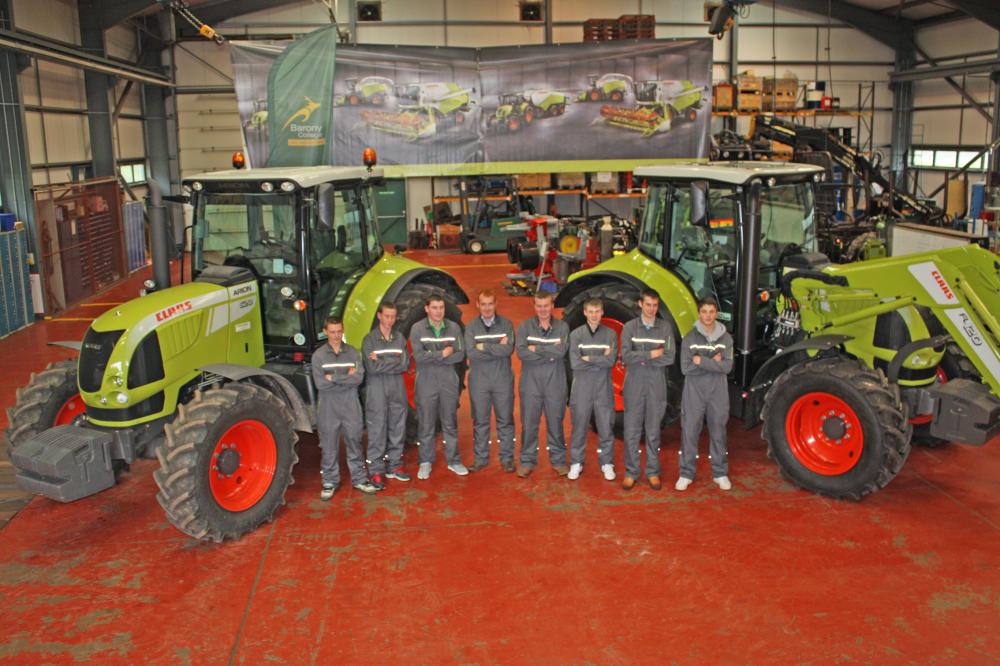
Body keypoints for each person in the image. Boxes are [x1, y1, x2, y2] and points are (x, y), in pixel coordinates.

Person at [311, 316, 376, 499]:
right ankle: (329, 481)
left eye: (339, 331)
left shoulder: (353, 353)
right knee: (328, 445)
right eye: (332, 332)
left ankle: (360, 478)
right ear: (325, 332)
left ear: (343, 331)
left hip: (350, 405)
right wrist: (347, 377)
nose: (336, 336)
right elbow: (320, 384)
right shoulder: (318, 356)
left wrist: (333, 378)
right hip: (328, 406)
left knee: (354, 441)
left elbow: (359, 378)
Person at [677, 296, 734, 491]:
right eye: (704, 312)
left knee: (718, 431)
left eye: (711, 312)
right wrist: (714, 362)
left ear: (716, 313)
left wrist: (701, 360)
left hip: (718, 391)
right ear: (699, 313)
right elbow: (685, 368)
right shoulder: (690, 338)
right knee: (690, 431)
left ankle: (720, 473)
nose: (708, 316)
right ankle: (686, 473)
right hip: (694, 391)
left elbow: (727, 367)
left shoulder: (726, 339)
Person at [620, 289, 675, 491]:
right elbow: (626, 356)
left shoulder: (665, 328)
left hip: (656, 383)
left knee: (653, 431)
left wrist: (640, 357)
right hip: (634, 382)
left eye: (655, 305)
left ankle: (652, 472)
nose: (651, 309)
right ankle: (631, 472)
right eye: (648, 305)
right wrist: (652, 354)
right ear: (640, 304)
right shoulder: (630, 328)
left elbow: (669, 357)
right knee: (631, 430)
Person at [409, 293, 467, 479]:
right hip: (426, 381)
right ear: (427, 309)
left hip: (448, 380)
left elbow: (460, 354)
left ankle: (454, 461)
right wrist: (442, 354)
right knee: (426, 423)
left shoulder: (453, 328)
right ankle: (425, 462)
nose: (438, 311)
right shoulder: (417, 329)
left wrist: (433, 357)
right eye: (434, 307)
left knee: (449, 422)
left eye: (441, 307)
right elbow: (418, 357)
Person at [515, 291, 571, 477]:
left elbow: (561, 352)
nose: (543, 310)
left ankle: (558, 460)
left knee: (556, 422)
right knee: (529, 423)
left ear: (552, 306)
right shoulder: (524, 327)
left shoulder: (562, 327)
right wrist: (549, 352)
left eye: (546, 305)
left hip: (555, 382)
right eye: (539, 306)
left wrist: (536, 349)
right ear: (534, 307)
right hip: (531, 382)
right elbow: (522, 353)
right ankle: (527, 461)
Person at [465, 289, 516, 472]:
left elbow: (508, 350)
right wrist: (496, 347)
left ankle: (507, 458)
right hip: (479, 380)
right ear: (478, 305)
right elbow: (471, 353)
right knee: (480, 420)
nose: (487, 308)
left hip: (502, 379)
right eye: (483, 304)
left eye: (490, 304)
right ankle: (480, 459)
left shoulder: (506, 324)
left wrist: (483, 346)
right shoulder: (471, 327)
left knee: (505, 420)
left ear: (496, 304)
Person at [568, 298, 618, 481]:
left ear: (602, 312)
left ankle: (607, 462)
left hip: (603, 386)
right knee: (579, 424)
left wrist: (588, 358)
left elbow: (611, 361)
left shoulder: (611, 334)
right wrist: (600, 359)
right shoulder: (576, 335)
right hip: (582, 386)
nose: (594, 315)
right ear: (585, 313)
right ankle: (576, 462)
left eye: (597, 311)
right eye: (591, 311)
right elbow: (575, 363)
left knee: (606, 425)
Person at [362, 300, 410, 489]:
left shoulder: (400, 338)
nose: (390, 320)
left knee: (398, 426)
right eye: (387, 316)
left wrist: (382, 359)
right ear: (379, 316)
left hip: (397, 388)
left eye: (393, 317)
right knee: (377, 428)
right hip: (377, 388)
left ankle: (395, 465)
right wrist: (394, 361)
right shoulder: (369, 340)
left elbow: (405, 364)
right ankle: (376, 471)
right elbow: (372, 368)